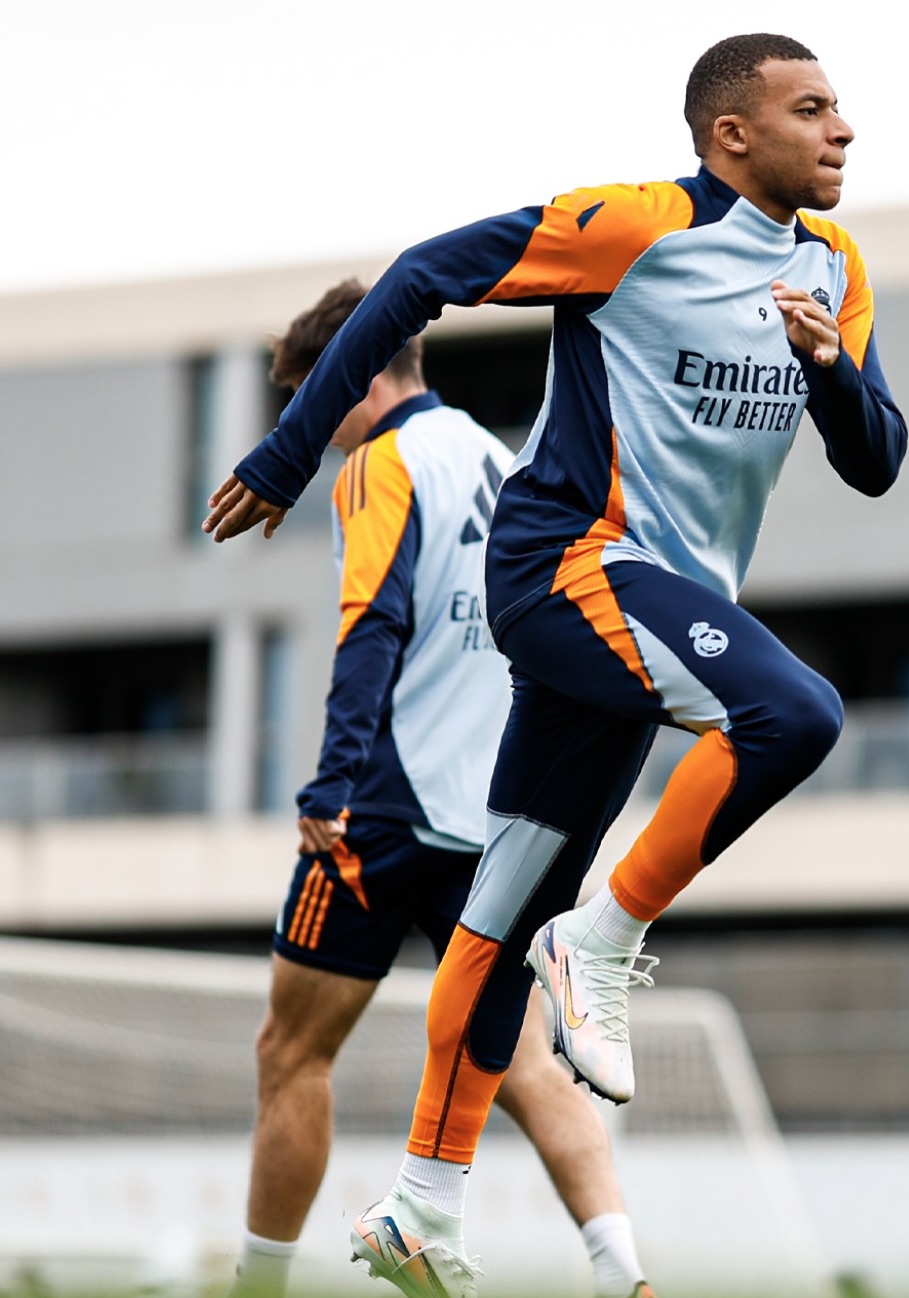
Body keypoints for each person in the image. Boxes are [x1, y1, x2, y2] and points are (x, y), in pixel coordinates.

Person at [205, 33, 908, 1298]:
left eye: (840, 107)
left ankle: (423, 1198)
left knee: (493, 929)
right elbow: (422, 273)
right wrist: (290, 451)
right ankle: (606, 934)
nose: (841, 129)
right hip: (564, 568)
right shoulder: (630, 225)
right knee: (793, 711)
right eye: (811, 109)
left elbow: (874, 458)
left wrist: (829, 369)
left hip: (645, 615)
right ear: (729, 136)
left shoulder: (835, 269)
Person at [225, 280, 654, 1298]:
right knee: (520, 1061)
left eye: (317, 401)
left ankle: (254, 1285)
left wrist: (328, 785)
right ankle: (622, 1270)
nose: (318, 434)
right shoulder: (508, 467)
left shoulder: (383, 462)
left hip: (384, 812)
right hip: (501, 821)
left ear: (364, 374)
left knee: (292, 1049)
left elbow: (369, 621)